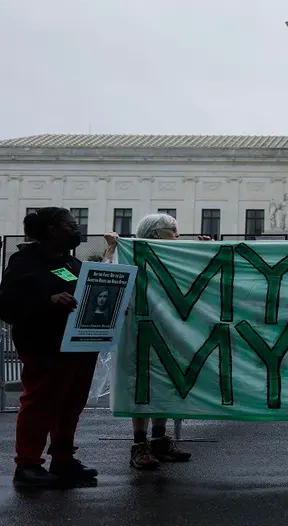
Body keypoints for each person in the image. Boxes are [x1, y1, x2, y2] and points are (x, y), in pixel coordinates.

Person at [0, 207, 100, 487]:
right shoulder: (24, 263)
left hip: (79, 345)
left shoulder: (72, 264)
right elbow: (6, 305)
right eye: (71, 225)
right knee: (41, 404)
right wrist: (48, 301)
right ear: (52, 230)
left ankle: (63, 459)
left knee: (71, 404)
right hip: (44, 345)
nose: (78, 229)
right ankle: (28, 465)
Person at [103, 213, 203, 470]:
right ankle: (140, 443)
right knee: (141, 385)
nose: (177, 235)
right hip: (138, 331)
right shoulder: (131, 254)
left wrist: (205, 251)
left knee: (164, 384)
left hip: (167, 331)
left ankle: (159, 438)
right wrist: (113, 247)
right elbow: (107, 275)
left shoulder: (175, 256)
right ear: (155, 233)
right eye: (172, 230)